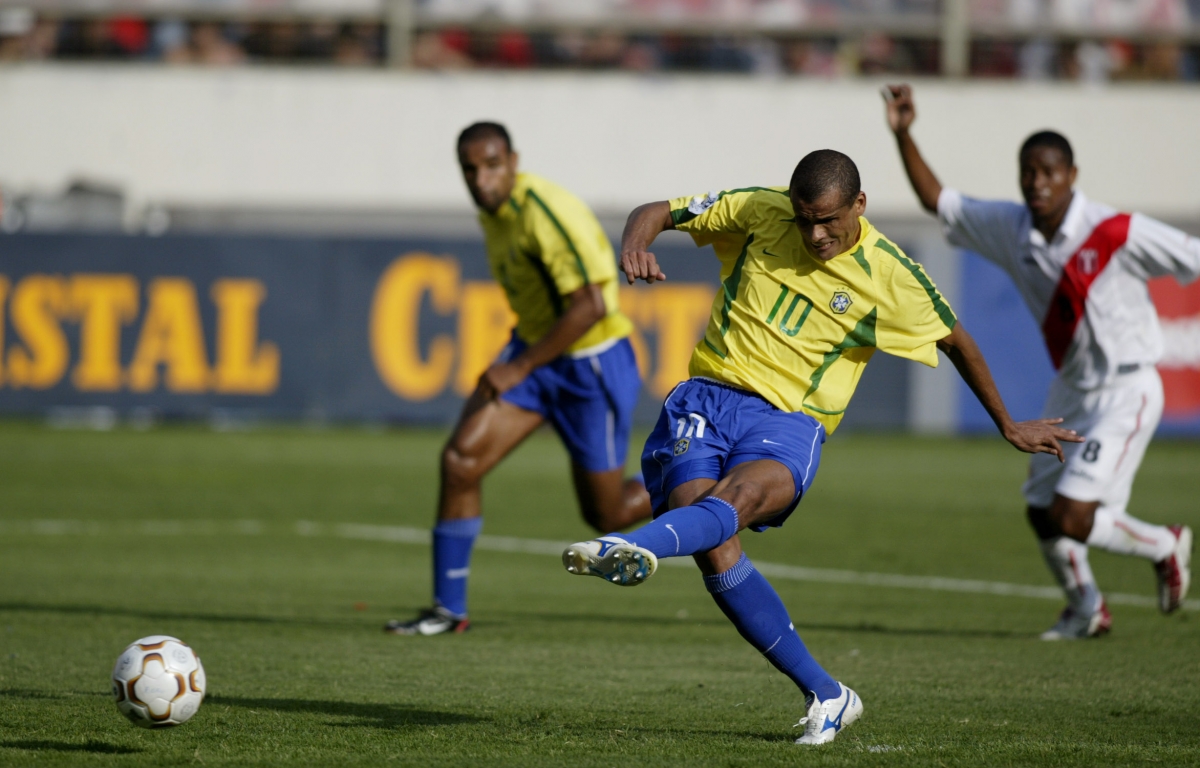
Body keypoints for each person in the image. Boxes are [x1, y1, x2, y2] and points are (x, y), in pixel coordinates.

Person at [560, 149, 1081, 744]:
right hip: (704, 399)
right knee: (712, 544)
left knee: (737, 499)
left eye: (828, 220)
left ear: (858, 205)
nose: (815, 233)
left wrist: (1008, 424)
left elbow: (956, 340)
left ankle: (627, 545)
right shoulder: (762, 209)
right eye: (805, 218)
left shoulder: (891, 274)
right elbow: (657, 211)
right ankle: (829, 694)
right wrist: (636, 243)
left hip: (788, 420)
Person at [883, 83, 1196, 639]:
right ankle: (1086, 609)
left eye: (1050, 171)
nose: (1038, 182)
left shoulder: (1115, 231)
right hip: (1072, 389)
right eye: (1029, 171)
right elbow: (939, 201)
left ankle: (1166, 543)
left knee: (1071, 516)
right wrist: (904, 132)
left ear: (1073, 175)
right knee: (1038, 508)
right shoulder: (1012, 226)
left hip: (1128, 389)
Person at [385, 122, 652, 636]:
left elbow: (592, 305)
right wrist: (522, 356)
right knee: (460, 460)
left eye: (492, 165)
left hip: (590, 365)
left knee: (607, 514)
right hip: (536, 355)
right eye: (470, 169)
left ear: (513, 161)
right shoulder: (496, 213)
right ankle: (448, 611)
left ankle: (704, 488)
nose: (481, 179)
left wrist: (518, 365)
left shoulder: (543, 211)